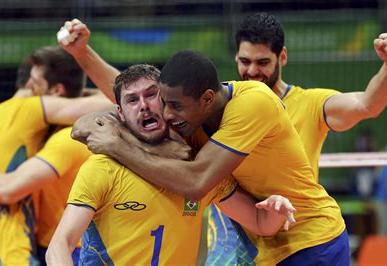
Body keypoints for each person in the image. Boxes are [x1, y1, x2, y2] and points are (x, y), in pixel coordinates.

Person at [70, 48, 348, 265]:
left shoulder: (253, 103)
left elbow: (196, 182)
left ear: (206, 99)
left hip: (310, 237)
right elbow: (82, 127)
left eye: (174, 106)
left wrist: (117, 145)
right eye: (165, 103)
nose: (167, 114)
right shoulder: (188, 118)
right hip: (260, 242)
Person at [206, 12, 387, 264]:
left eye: (263, 62)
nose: (252, 70)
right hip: (256, 250)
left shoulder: (311, 103)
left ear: (283, 57)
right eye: (245, 61)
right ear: (235, 57)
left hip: (309, 242)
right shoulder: (226, 110)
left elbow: (367, 104)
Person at [46, 64, 296, 265]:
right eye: (132, 100)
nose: (143, 105)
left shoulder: (195, 169)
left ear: (166, 100)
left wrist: (276, 208)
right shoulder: (102, 168)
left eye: (151, 95)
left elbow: (261, 223)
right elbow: (59, 246)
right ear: (119, 114)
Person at [0, 46, 113, 265]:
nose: (28, 87)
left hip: (69, 250)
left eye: (35, 83)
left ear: (57, 92)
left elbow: (9, 189)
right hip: (43, 246)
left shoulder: (66, 135)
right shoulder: (39, 130)